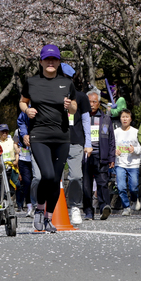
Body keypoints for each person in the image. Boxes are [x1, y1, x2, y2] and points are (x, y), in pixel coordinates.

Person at [19, 44, 77, 233]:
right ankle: (39, 208)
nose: (51, 62)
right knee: (47, 175)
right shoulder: (32, 82)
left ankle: (48, 218)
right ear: (41, 62)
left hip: (61, 136)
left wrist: (70, 107)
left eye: (54, 59)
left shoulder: (67, 83)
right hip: (39, 135)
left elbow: (75, 108)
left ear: (59, 62)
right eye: (47, 59)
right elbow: (22, 101)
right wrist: (27, 110)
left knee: (56, 179)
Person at [60, 64, 91, 226]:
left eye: (66, 77)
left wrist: (88, 143)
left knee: (76, 176)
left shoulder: (81, 97)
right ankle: (49, 209)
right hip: (55, 141)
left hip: (76, 141)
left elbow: (86, 121)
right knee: (52, 177)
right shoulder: (49, 95)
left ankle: (75, 207)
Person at [83, 89, 115, 220]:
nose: (91, 104)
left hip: (101, 156)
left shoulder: (106, 119)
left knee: (102, 183)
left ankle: (104, 207)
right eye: (89, 101)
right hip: (85, 156)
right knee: (86, 185)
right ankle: (88, 212)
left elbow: (112, 140)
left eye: (94, 102)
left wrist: (112, 157)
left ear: (99, 103)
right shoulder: (82, 118)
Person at [114, 109, 141, 215]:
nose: (125, 119)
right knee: (121, 186)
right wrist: (114, 151)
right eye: (123, 117)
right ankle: (126, 207)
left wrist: (134, 150)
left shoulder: (136, 132)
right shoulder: (116, 132)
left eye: (127, 116)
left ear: (131, 119)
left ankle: (135, 200)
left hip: (133, 163)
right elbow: (111, 146)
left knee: (134, 187)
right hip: (120, 163)